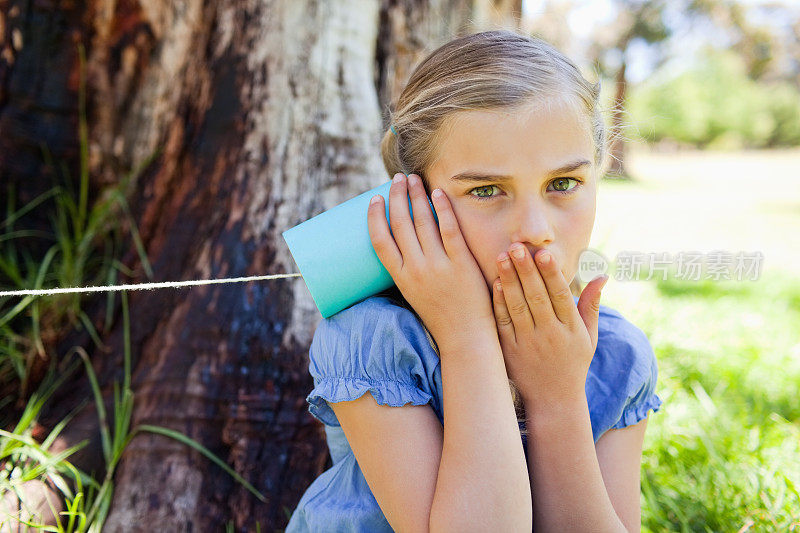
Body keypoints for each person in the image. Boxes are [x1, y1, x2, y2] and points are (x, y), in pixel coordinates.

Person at [285, 29, 662, 532]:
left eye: (564, 183)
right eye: (486, 190)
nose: (535, 230)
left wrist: (557, 396)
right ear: (414, 200)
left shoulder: (617, 355)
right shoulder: (376, 341)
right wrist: (467, 337)